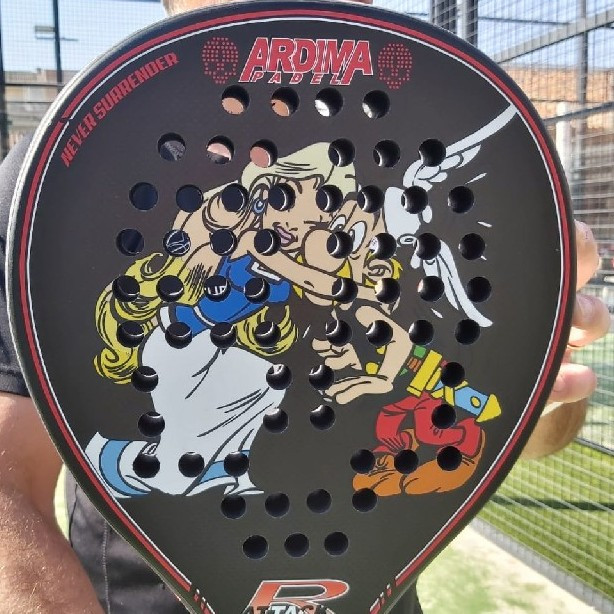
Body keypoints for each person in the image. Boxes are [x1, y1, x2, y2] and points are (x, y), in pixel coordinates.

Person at [0, 1, 610, 613]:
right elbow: (8, 486)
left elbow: (537, 435)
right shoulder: (59, 177)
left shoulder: (405, 159)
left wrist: (532, 371)